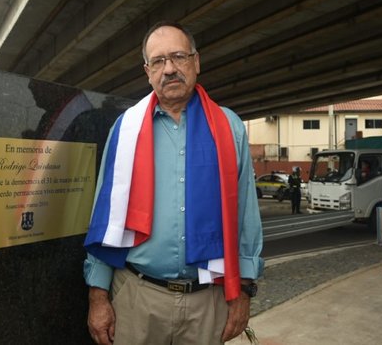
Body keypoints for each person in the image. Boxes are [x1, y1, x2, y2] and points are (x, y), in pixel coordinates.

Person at [83, 21, 263, 345]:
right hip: (137, 299)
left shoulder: (229, 127)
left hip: (208, 301)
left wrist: (245, 292)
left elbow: (246, 216)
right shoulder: (125, 130)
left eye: (178, 57)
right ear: (147, 72)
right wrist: (98, 297)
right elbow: (105, 217)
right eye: (158, 61)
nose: (169, 69)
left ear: (196, 62)